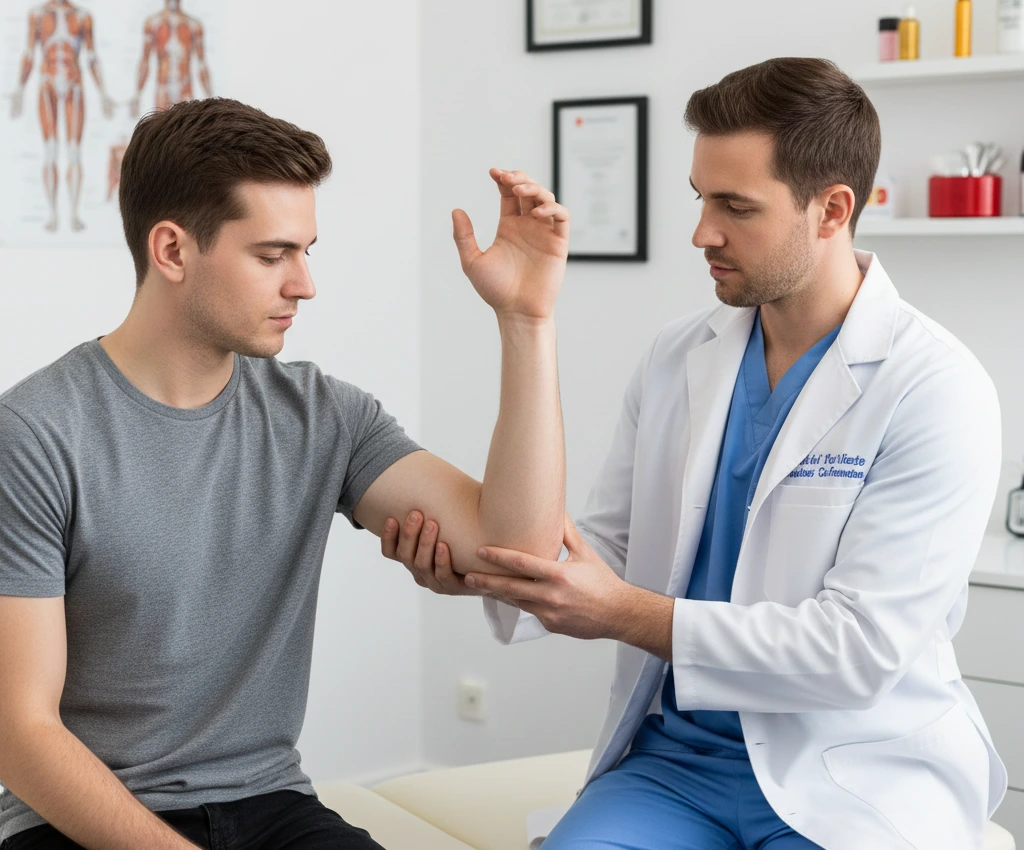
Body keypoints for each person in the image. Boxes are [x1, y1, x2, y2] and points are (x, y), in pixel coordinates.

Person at [384, 58, 1006, 850]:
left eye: (735, 206)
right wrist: (491, 562)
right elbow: (604, 548)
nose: (701, 232)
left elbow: (859, 650)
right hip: (674, 769)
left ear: (832, 209)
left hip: (855, 768)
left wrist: (625, 612)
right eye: (701, 197)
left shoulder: (934, 387)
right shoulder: (681, 356)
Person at [0, 97, 569, 850]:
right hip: (79, 820)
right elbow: (21, 733)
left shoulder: (323, 415)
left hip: (270, 806)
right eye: (272, 255)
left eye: (307, 251)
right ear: (172, 251)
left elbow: (520, 554)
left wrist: (526, 322)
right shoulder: (35, 434)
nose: (304, 284)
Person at [9, 0, 115, 232]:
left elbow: (92, 57)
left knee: (74, 152)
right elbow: (29, 54)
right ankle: (53, 213)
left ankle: (74, 213)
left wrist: (104, 93)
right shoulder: (37, 15)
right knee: (50, 150)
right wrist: (18, 89)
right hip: (47, 82)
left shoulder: (82, 16)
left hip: (74, 83)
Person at [129, 0, 213, 117]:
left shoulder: (193, 25)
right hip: (163, 89)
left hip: (185, 89)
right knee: (160, 129)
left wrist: (210, 97)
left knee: (185, 128)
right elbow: (145, 61)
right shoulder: (153, 24)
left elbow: (201, 64)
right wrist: (137, 95)